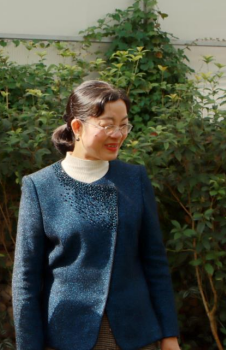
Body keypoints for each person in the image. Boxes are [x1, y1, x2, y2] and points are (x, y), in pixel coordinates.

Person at [12, 80, 180, 350]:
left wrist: (169, 334)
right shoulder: (40, 186)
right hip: (68, 335)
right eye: (107, 125)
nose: (118, 134)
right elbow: (26, 279)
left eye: (124, 125)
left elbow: (155, 262)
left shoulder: (134, 179)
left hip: (136, 334)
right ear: (77, 127)